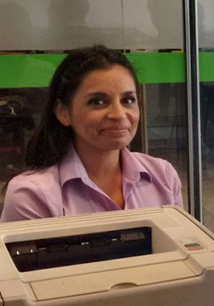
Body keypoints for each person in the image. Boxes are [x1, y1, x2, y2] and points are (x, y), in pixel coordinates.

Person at [1, 45, 183, 222]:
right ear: (63, 112)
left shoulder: (163, 177)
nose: (119, 114)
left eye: (128, 100)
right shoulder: (32, 196)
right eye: (98, 102)